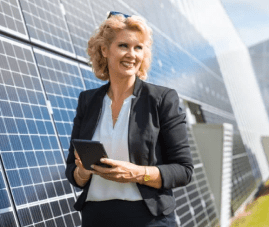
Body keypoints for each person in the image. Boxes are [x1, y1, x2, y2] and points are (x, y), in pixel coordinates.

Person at [65, 11, 194, 227]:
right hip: (96, 218)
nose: (131, 54)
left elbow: (183, 170)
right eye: (123, 46)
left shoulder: (162, 99)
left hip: (148, 219)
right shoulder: (88, 101)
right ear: (104, 50)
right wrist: (84, 170)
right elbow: (73, 172)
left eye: (138, 48)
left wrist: (136, 173)